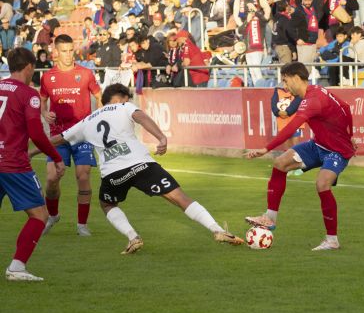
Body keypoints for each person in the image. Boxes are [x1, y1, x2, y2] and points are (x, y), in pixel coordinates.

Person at [32, 84, 243, 254]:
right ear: (120, 98)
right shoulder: (124, 107)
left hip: (113, 174)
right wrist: (161, 137)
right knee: (180, 197)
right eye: (127, 98)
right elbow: (140, 116)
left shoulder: (86, 122)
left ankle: (133, 237)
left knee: (107, 204)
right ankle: (217, 230)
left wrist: (31, 152)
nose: (129, 101)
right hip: (141, 165)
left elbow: (58, 139)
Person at [246, 61, 355, 251]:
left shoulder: (312, 100)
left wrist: (266, 148)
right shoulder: (315, 91)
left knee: (322, 184)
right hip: (318, 144)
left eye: (286, 81)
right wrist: (351, 134)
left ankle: (332, 240)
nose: (285, 87)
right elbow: (345, 107)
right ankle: (269, 218)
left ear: (296, 78)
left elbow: (292, 127)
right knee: (280, 163)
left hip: (337, 150)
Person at [1, 48, 66, 281]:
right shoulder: (29, 94)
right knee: (39, 214)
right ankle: (17, 268)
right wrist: (57, 157)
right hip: (13, 164)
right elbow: (37, 135)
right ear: (29, 66)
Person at [39, 34, 102, 236]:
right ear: (55, 52)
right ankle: (53, 215)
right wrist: (44, 112)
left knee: (82, 176)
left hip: (82, 134)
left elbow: (99, 97)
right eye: (64, 51)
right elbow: (42, 98)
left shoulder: (85, 73)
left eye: (70, 50)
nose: (68, 55)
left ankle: (82, 225)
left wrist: (98, 115)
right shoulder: (48, 77)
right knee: (51, 179)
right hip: (58, 135)